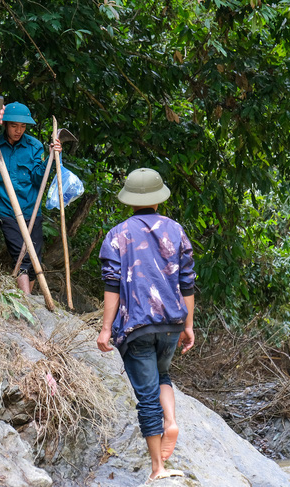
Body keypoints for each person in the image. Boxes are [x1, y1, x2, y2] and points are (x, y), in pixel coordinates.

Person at [96, 168, 196, 482]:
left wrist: (105, 328)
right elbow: (188, 284)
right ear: (157, 199)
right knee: (163, 374)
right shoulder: (176, 231)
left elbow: (112, 286)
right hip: (171, 322)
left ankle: (158, 469)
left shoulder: (117, 235)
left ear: (130, 201)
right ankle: (172, 422)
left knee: (147, 397)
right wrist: (189, 326)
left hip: (136, 325)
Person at [0, 102, 61, 294]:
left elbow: (39, 179)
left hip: (31, 209)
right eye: (14, 126)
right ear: (5, 124)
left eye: (22, 126)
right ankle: (28, 300)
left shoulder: (34, 146)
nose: (18, 130)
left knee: (34, 258)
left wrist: (51, 158)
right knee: (21, 256)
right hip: (7, 211)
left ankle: (26, 299)